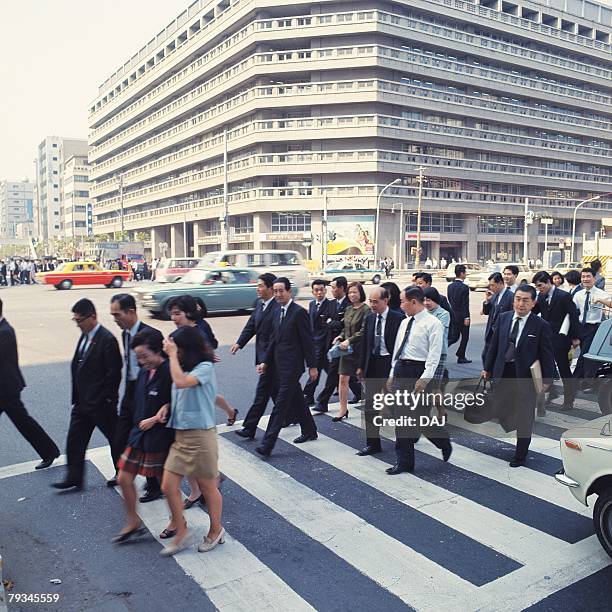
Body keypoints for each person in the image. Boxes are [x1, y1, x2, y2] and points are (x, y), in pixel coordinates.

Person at [159, 327, 224, 557]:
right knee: (168, 486)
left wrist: (171, 355)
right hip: (181, 436)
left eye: (177, 348)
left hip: (201, 436)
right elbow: (180, 392)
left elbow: (181, 383)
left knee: (208, 487)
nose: (174, 352)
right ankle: (181, 531)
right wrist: (167, 407)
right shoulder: (184, 368)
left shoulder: (204, 368)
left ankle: (216, 530)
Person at [53, 299, 122, 490]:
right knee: (75, 440)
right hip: (83, 403)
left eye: (80, 320)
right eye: (75, 320)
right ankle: (74, 476)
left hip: (101, 403)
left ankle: (122, 472)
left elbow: (114, 372)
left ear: (93, 317)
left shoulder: (107, 339)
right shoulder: (84, 336)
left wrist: (106, 398)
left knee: (115, 438)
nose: (78, 324)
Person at [483, 285, 556, 467]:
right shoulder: (503, 318)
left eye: (525, 300)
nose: (520, 304)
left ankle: (520, 454)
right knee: (501, 409)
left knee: (525, 416)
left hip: (526, 377)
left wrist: (547, 379)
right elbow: (494, 346)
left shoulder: (540, 325)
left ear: (533, 303)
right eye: (517, 299)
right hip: (503, 373)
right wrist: (487, 367)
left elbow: (547, 354)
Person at [112, 329, 174, 543]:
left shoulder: (170, 371)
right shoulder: (143, 372)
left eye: (145, 356)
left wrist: (160, 414)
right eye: (137, 357)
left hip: (161, 437)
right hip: (139, 434)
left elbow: (180, 402)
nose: (141, 361)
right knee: (123, 478)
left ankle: (178, 522)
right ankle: (133, 522)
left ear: (159, 351)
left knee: (168, 485)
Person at [387, 287, 451, 475]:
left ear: (414, 301)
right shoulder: (404, 322)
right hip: (402, 369)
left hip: (420, 371)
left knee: (419, 417)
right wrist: (392, 372)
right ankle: (404, 462)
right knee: (403, 418)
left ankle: (442, 440)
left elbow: (434, 355)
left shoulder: (433, 323)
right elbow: (398, 350)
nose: (400, 305)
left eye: (402, 301)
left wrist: (424, 379)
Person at [254, 277, 318, 457]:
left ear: (289, 292)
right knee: (297, 398)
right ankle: (310, 430)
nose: (278, 294)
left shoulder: (299, 313)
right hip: (278, 365)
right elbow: (273, 339)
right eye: (275, 291)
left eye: (281, 291)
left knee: (280, 406)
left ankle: (267, 444)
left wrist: (312, 366)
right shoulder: (277, 312)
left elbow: (308, 342)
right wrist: (265, 361)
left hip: (293, 367)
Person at [109, 293, 160, 499]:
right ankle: (122, 472)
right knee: (119, 436)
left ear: (131, 311)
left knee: (146, 439)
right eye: (112, 315)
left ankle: (154, 485)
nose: (115, 319)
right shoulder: (125, 334)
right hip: (130, 390)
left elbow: (159, 365)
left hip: (147, 392)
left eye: (117, 314)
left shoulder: (151, 334)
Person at [0, 299, 59, 469]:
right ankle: (49, 451)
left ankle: (49, 451)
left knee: (23, 422)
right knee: (23, 421)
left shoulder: (5, 332)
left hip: (7, 388)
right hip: (4, 387)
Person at [356, 287, 404, 456]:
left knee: (397, 405)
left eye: (376, 302)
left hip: (390, 364)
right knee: (370, 406)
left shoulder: (398, 318)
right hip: (373, 364)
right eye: (370, 301)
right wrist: (361, 366)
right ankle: (372, 443)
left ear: (386, 300)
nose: (372, 305)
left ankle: (404, 442)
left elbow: (402, 346)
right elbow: (365, 344)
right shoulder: (369, 318)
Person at [232, 273, 278, 438]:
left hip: (272, 359)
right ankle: (297, 418)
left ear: (270, 288)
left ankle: (250, 428)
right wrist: (239, 343)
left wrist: (265, 360)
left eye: (260, 286)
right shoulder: (260, 304)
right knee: (281, 393)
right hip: (264, 357)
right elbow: (251, 325)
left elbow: (274, 338)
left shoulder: (277, 308)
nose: (257, 289)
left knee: (262, 394)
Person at [532, 272, 580, 412]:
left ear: (548, 282)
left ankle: (569, 401)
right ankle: (551, 391)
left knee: (564, 369)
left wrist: (575, 337)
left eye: (540, 285)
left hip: (561, 338)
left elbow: (573, 316)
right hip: (545, 339)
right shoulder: (541, 296)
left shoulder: (563, 296)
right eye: (537, 286)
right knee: (543, 368)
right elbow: (535, 312)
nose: (539, 288)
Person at [314, 276, 361, 412]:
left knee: (334, 372)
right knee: (344, 372)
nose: (332, 290)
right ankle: (359, 392)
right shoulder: (331, 303)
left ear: (341, 288)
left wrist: (330, 322)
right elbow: (327, 321)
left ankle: (322, 402)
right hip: (333, 342)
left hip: (346, 343)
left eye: (334, 287)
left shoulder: (349, 304)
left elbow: (341, 324)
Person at [332, 282, 369, 422]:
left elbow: (363, 331)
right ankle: (343, 408)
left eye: (355, 292)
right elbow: (345, 327)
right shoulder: (348, 309)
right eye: (350, 292)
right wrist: (341, 336)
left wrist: (349, 340)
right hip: (346, 350)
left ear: (361, 293)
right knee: (343, 379)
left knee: (364, 379)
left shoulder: (366, 310)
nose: (352, 295)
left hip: (359, 350)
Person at [573, 268, 612, 380]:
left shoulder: (601, 293)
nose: (585, 279)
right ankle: (586, 379)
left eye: (588, 276)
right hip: (581, 326)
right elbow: (573, 311)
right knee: (585, 354)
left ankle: (576, 379)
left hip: (593, 327)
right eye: (583, 276)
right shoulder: (578, 294)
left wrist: (600, 300)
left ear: (594, 278)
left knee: (585, 353)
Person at [302, 279, 333, 406]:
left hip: (324, 342)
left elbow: (328, 326)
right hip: (313, 341)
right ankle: (357, 388)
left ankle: (308, 394)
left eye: (321, 290)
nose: (319, 292)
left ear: (325, 290)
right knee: (331, 370)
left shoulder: (330, 305)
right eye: (316, 290)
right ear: (313, 292)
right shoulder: (311, 304)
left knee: (317, 368)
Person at [423, 287, 451, 413]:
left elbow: (436, 332)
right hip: (424, 353)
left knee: (435, 387)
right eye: (423, 300)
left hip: (439, 353)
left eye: (428, 300)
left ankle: (441, 411)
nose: (426, 303)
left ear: (435, 300)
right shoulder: (423, 313)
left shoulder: (444, 314)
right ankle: (425, 413)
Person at [482, 272, 514, 365]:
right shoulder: (494, 295)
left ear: (501, 283)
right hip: (491, 332)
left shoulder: (510, 296)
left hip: (502, 333)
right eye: (490, 285)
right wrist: (487, 301)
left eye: (493, 285)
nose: (491, 287)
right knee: (485, 356)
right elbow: (487, 312)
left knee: (496, 358)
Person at [447, 264, 471, 364]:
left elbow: (450, 300)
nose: (466, 274)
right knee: (465, 337)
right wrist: (466, 317)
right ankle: (461, 356)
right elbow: (465, 304)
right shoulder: (464, 287)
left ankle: (442, 349)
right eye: (465, 272)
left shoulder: (450, 286)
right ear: (461, 273)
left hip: (453, 314)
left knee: (454, 337)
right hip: (462, 315)